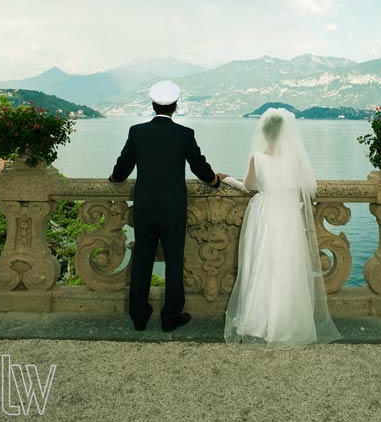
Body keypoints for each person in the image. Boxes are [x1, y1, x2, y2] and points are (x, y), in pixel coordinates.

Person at [109, 80, 226, 332]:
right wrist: (215, 181)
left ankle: (139, 316)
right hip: (173, 209)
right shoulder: (184, 134)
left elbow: (123, 166)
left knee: (142, 259)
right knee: (174, 261)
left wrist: (115, 178)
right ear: (175, 106)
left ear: (153, 105)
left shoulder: (137, 132)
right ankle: (171, 317)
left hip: (145, 207)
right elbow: (199, 166)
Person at [222, 108, 341, 349]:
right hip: (288, 213)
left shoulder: (257, 157)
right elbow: (306, 185)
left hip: (266, 213)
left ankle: (260, 323)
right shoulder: (295, 158)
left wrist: (228, 180)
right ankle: (288, 323)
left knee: (263, 263)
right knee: (288, 265)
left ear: (264, 132)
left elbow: (249, 186)